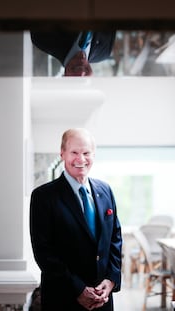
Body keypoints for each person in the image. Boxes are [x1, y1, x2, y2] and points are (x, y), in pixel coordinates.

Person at [29, 128, 122, 310]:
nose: (81, 159)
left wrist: (111, 280)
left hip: (102, 298)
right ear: (62, 153)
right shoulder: (43, 196)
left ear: (93, 154)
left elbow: (115, 239)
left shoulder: (106, 190)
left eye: (86, 153)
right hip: (63, 298)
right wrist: (79, 290)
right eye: (74, 152)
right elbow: (44, 252)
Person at [30, 31, 116, 76]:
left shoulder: (42, 39)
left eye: (75, 80)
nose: (81, 73)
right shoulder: (104, 51)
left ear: (65, 76)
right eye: (84, 80)